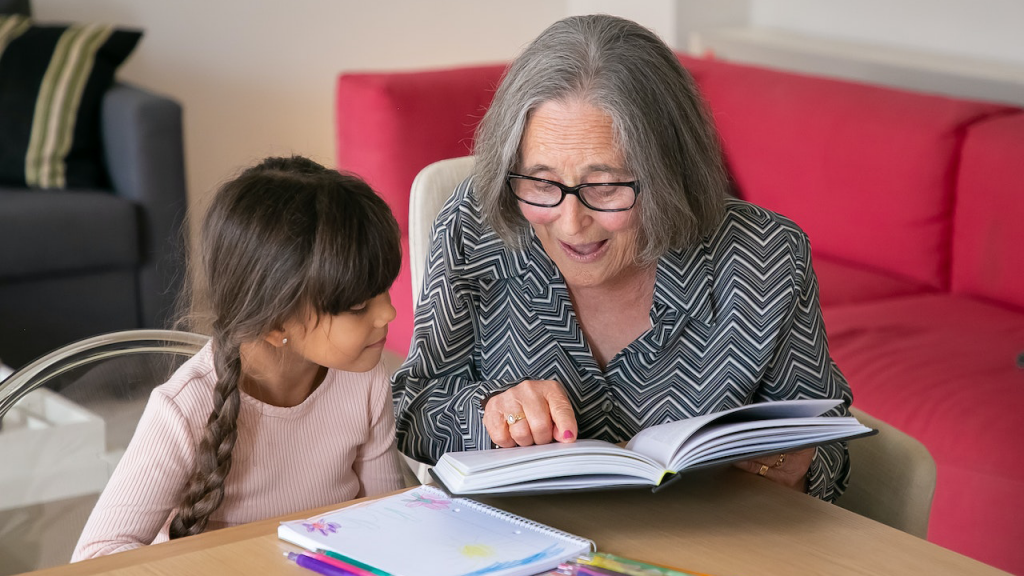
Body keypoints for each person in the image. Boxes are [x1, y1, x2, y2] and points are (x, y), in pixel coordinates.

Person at [392, 15, 853, 501]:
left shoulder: (765, 256)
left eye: (606, 187)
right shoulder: (478, 224)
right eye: (542, 183)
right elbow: (414, 406)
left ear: (669, 175)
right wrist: (488, 411)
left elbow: (827, 439)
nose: (570, 223)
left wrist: (792, 464)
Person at [73, 156, 405, 559]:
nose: (388, 314)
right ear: (274, 322)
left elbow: (390, 521)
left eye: (384, 289)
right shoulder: (184, 409)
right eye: (357, 305)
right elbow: (95, 556)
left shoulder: (364, 377)